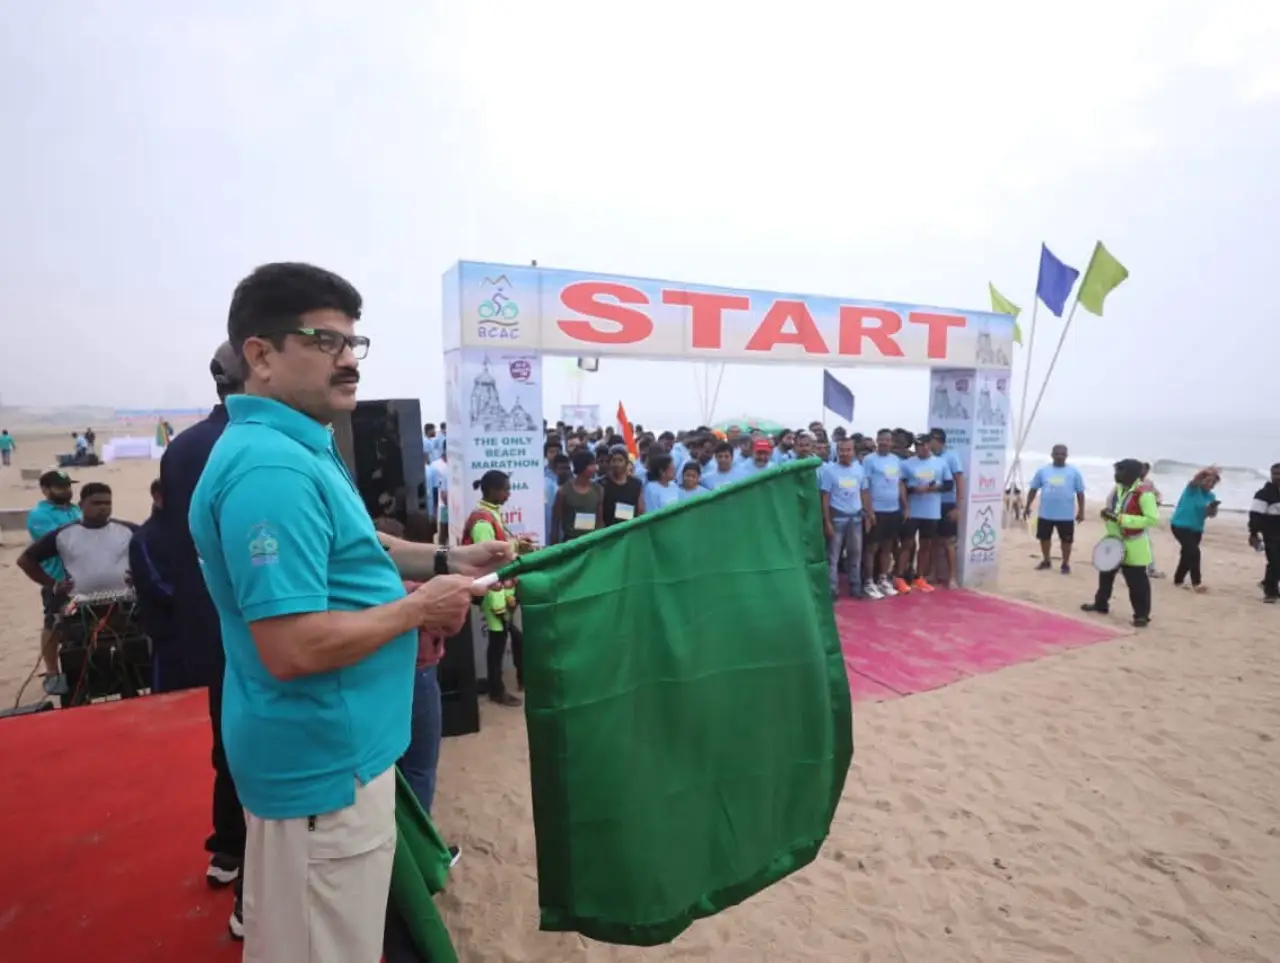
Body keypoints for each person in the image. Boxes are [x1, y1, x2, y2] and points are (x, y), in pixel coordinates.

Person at [188, 262, 512, 961]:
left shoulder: (300, 443)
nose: (348, 361)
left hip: (336, 761)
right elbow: (293, 646)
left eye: (353, 344)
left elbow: (363, 543)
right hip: (320, 775)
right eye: (324, 341)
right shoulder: (271, 470)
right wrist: (416, 609)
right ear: (261, 356)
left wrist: (448, 563)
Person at [157, 342, 251, 905]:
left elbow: (174, 537)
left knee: (226, 733)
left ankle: (228, 847)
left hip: (204, 615)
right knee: (261, 742)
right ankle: (254, 886)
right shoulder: (256, 443)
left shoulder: (182, 447)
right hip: (255, 615)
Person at [462, 470, 527, 707]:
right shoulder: (482, 521)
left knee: (511, 638)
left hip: (500, 589)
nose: (509, 494)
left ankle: (515, 680)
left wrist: (517, 544)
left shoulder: (490, 515)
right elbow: (486, 558)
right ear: (493, 490)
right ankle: (496, 690)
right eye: (505, 489)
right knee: (499, 642)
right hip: (494, 590)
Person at [18, 483, 136, 599]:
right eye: (96, 503)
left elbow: (153, 548)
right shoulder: (64, 534)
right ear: (81, 505)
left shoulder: (128, 530)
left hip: (124, 603)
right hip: (80, 607)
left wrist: (142, 575)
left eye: (107, 503)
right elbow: (25, 560)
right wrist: (53, 584)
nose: (103, 507)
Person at [1081, 459, 1158, 627]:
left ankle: (1141, 615)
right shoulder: (1118, 489)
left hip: (1133, 543)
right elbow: (1116, 510)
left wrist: (1121, 519)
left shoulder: (1144, 493)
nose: (1116, 474)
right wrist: (1108, 515)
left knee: (1137, 582)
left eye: (1120, 471)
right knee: (1105, 575)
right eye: (1117, 471)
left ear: (1132, 473)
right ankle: (1101, 604)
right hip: (1114, 540)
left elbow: (1152, 520)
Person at [25, 470, 82, 695]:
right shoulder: (39, 515)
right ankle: (51, 672)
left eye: (68, 486)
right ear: (45, 489)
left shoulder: (75, 508)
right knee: (53, 623)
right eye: (60, 487)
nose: (67, 491)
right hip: (57, 579)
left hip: (82, 578)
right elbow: (60, 542)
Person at [128, 479, 178, 692]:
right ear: (158, 497)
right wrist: (195, 599)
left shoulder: (194, 526)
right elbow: (154, 584)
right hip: (169, 630)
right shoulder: (145, 538)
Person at [897, 434, 951, 593]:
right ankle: (899, 577)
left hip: (931, 511)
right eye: (920, 445)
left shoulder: (941, 463)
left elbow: (948, 485)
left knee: (925, 545)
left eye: (926, 444)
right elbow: (901, 486)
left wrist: (931, 488)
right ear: (915, 447)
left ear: (930, 445)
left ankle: (919, 577)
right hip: (912, 510)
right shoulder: (906, 464)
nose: (924, 448)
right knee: (907, 543)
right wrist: (914, 490)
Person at [820, 437, 869, 600]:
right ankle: (832, 590)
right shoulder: (829, 471)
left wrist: (868, 514)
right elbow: (825, 497)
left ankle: (856, 587)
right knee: (833, 556)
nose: (845, 453)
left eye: (848, 450)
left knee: (856, 554)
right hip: (837, 519)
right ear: (837, 451)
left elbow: (864, 492)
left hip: (855, 519)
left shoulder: (859, 469)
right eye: (841, 450)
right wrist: (827, 522)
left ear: (853, 451)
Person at [1025, 444, 1086, 574]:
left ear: (1066, 455)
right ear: (1052, 455)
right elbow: (1033, 489)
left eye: (1063, 454)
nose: (1060, 456)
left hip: (1066, 515)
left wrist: (1081, 511)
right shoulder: (1043, 471)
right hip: (1046, 513)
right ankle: (1046, 560)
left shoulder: (1074, 472)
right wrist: (1027, 506)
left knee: (1067, 541)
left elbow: (1080, 493)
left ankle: (1065, 563)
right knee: (1044, 538)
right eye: (1057, 453)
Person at [862, 429, 908, 599]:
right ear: (877, 441)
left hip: (893, 510)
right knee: (871, 548)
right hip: (876, 511)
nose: (884, 443)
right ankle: (868, 582)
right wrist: (869, 511)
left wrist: (906, 506)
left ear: (892, 442)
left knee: (887, 548)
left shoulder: (896, 461)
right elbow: (864, 487)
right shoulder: (869, 460)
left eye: (887, 440)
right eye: (881, 440)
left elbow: (900, 484)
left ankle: (883, 579)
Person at [1169, 467, 1221, 592]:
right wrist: (1206, 472)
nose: (1209, 484)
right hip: (1180, 525)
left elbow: (1211, 515)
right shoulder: (1192, 489)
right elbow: (1195, 480)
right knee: (1194, 552)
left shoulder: (1211, 496)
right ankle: (1196, 583)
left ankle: (1178, 580)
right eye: (1208, 481)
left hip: (1197, 528)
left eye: (1213, 482)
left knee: (1187, 554)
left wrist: (1212, 508)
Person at [928, 428, 965, 588]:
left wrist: (958, 506)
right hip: (930, 503)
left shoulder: (951, 456)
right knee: (932, 541)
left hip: (947, 503)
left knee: (949, 542)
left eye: (931, 440)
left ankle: (952, 577)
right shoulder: (927, 457)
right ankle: (932, 574)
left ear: (939, 440)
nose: (928, 443)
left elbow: (959, 479)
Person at [553, 449, 603, 542]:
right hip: (570, 542)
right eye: (592, 465)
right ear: (582, 466)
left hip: (591, 541)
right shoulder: (564, 491)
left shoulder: (598, 490)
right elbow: (556, 521)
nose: (595, 468)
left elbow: (600, 521)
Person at [1248, 462, 1280, 603]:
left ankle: (1267, 583)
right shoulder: (1263, 494)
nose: (1277, 477)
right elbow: (1255, 515)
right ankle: (1270, 593)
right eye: (1275, 474)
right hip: (1270, 534)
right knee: (1274, 562)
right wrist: (1253, 534)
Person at [601, 444, 645, 524]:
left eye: (620, 460)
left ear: (626, 462)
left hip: (630, 528)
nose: (616, 464)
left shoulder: (636, 484)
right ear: (609, 462)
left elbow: (640, 511)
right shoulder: (602, 484)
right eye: (613, 460)